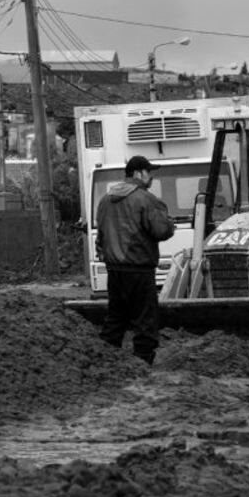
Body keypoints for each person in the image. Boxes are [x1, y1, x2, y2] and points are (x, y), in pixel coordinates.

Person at [95, 155, 175, 365]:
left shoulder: (105, 200)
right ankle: (142, 363)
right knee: (145, 319)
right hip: (139, 269)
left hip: (114, 270)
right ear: (138, 173)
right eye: (149, 172)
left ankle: (106, 361)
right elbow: (161, 230)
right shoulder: (145, 199)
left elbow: (101, 235)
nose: (151, 177)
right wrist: (169, 224)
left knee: (115, 317)